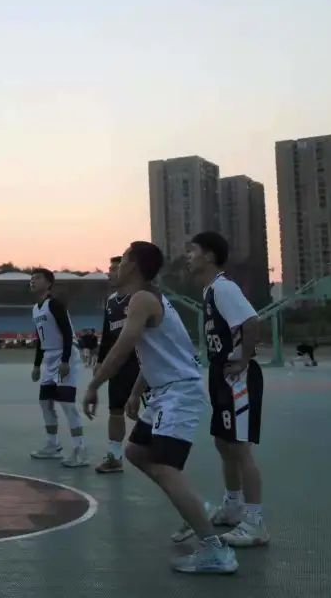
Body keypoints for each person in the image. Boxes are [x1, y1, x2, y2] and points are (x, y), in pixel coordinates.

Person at [83, 241, 238, 574]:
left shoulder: (141, 299)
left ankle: (216, 551)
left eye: (122, 260)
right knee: (136, 452)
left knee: (166, 468)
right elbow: (158, 350)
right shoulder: (146, 298)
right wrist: (136, 392)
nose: (116, 267)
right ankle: (199, 508)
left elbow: (125, 345)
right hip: (165, 391)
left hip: (179, 393)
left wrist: (94, 384)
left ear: (133, 266)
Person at [182, 231, 269, 548]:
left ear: (208, 255)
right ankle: (233, 506)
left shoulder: (223, 288)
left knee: (240, 448)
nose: (188, 256)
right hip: (221, 374)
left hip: (237, 378)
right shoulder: (209, 291)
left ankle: (255, 523)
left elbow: (251, 322)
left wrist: (243, 359)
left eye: (193, 251)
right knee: (223, 442)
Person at [28, 269, 88, 468]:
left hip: (65, 354)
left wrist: (65, 360)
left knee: (67, 404)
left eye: (37, 278)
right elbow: (40, 339)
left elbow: (67, 332)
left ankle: (80, 450)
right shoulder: (35, 309)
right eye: (31, 278)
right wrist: (37, 365)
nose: (32, 281)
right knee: (45, 402)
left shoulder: (54, 304)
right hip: (49, 358)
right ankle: (53, 445)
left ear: (49, 283)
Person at [94, 255, 142, 474]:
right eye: (109, 269)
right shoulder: (112, 301)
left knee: (156, 408)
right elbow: (107, 335)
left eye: (115, 268)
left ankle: (163, 454)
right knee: (115, 410)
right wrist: (101, 360)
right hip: (119, 366)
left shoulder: (140, 298)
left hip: (143, 365)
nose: (110, 273)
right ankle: (114, 457)